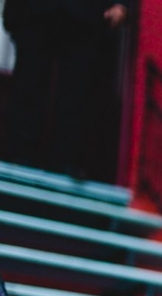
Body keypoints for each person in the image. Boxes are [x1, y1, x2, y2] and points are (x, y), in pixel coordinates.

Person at [2, 0, 128, 179]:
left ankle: (65, 160)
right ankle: (20, 155)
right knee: (28, 82)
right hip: (31, 10)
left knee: (76, 92)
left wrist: (121, 4)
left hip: (85, 14)